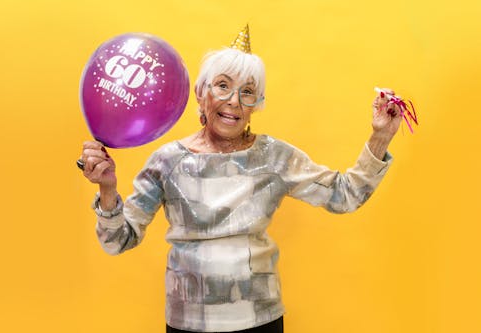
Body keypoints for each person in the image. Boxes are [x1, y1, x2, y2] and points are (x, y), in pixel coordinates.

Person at [79, 25, 402, 333]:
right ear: (201, 93)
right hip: (189, 322)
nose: (234, 100)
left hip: (259, 320)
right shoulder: (168, 162)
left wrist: (380, 137)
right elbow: (117, 241)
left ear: (256, 105)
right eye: (223, 86)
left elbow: (345, 196)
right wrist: (107, 189)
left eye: (247, 92)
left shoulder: (274, 157)